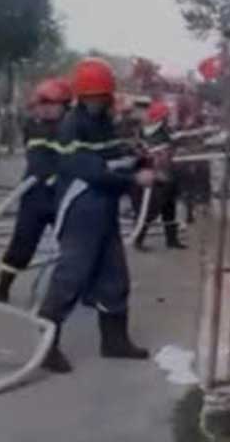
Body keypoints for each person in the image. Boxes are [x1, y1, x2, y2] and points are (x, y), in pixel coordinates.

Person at [37, 58, 155, 374]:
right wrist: (133, 181)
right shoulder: (71, 127)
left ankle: (114, 342)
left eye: (105, 96)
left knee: (115, 277)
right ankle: (46, 345)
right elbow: (91, 171)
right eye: (97, 96)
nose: (102, 101)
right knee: (71, 276)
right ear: (84, 96)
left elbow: (114, 156)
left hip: (103, 211)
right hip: (80, 210)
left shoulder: (103, 122)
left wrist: (139, 160)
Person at [0, 78, 73, 303]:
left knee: (74, 246)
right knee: (22, 243)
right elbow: (39, 160)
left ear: (64, 104)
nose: (43, 108)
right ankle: (3, 288)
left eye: (49, 103)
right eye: (40, 104)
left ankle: (79, 291)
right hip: (35, 196)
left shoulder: (72, 127)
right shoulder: (34, 126)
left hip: (62, 196)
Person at [133, 100, 185, 251]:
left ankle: (172, 240)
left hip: (166, 176)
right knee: (150, 211)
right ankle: (138, 239)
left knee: (169, 210)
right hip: (157, 177)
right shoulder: (156, 134)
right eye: (166, 116)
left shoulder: (150, 131)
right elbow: (159, 154)